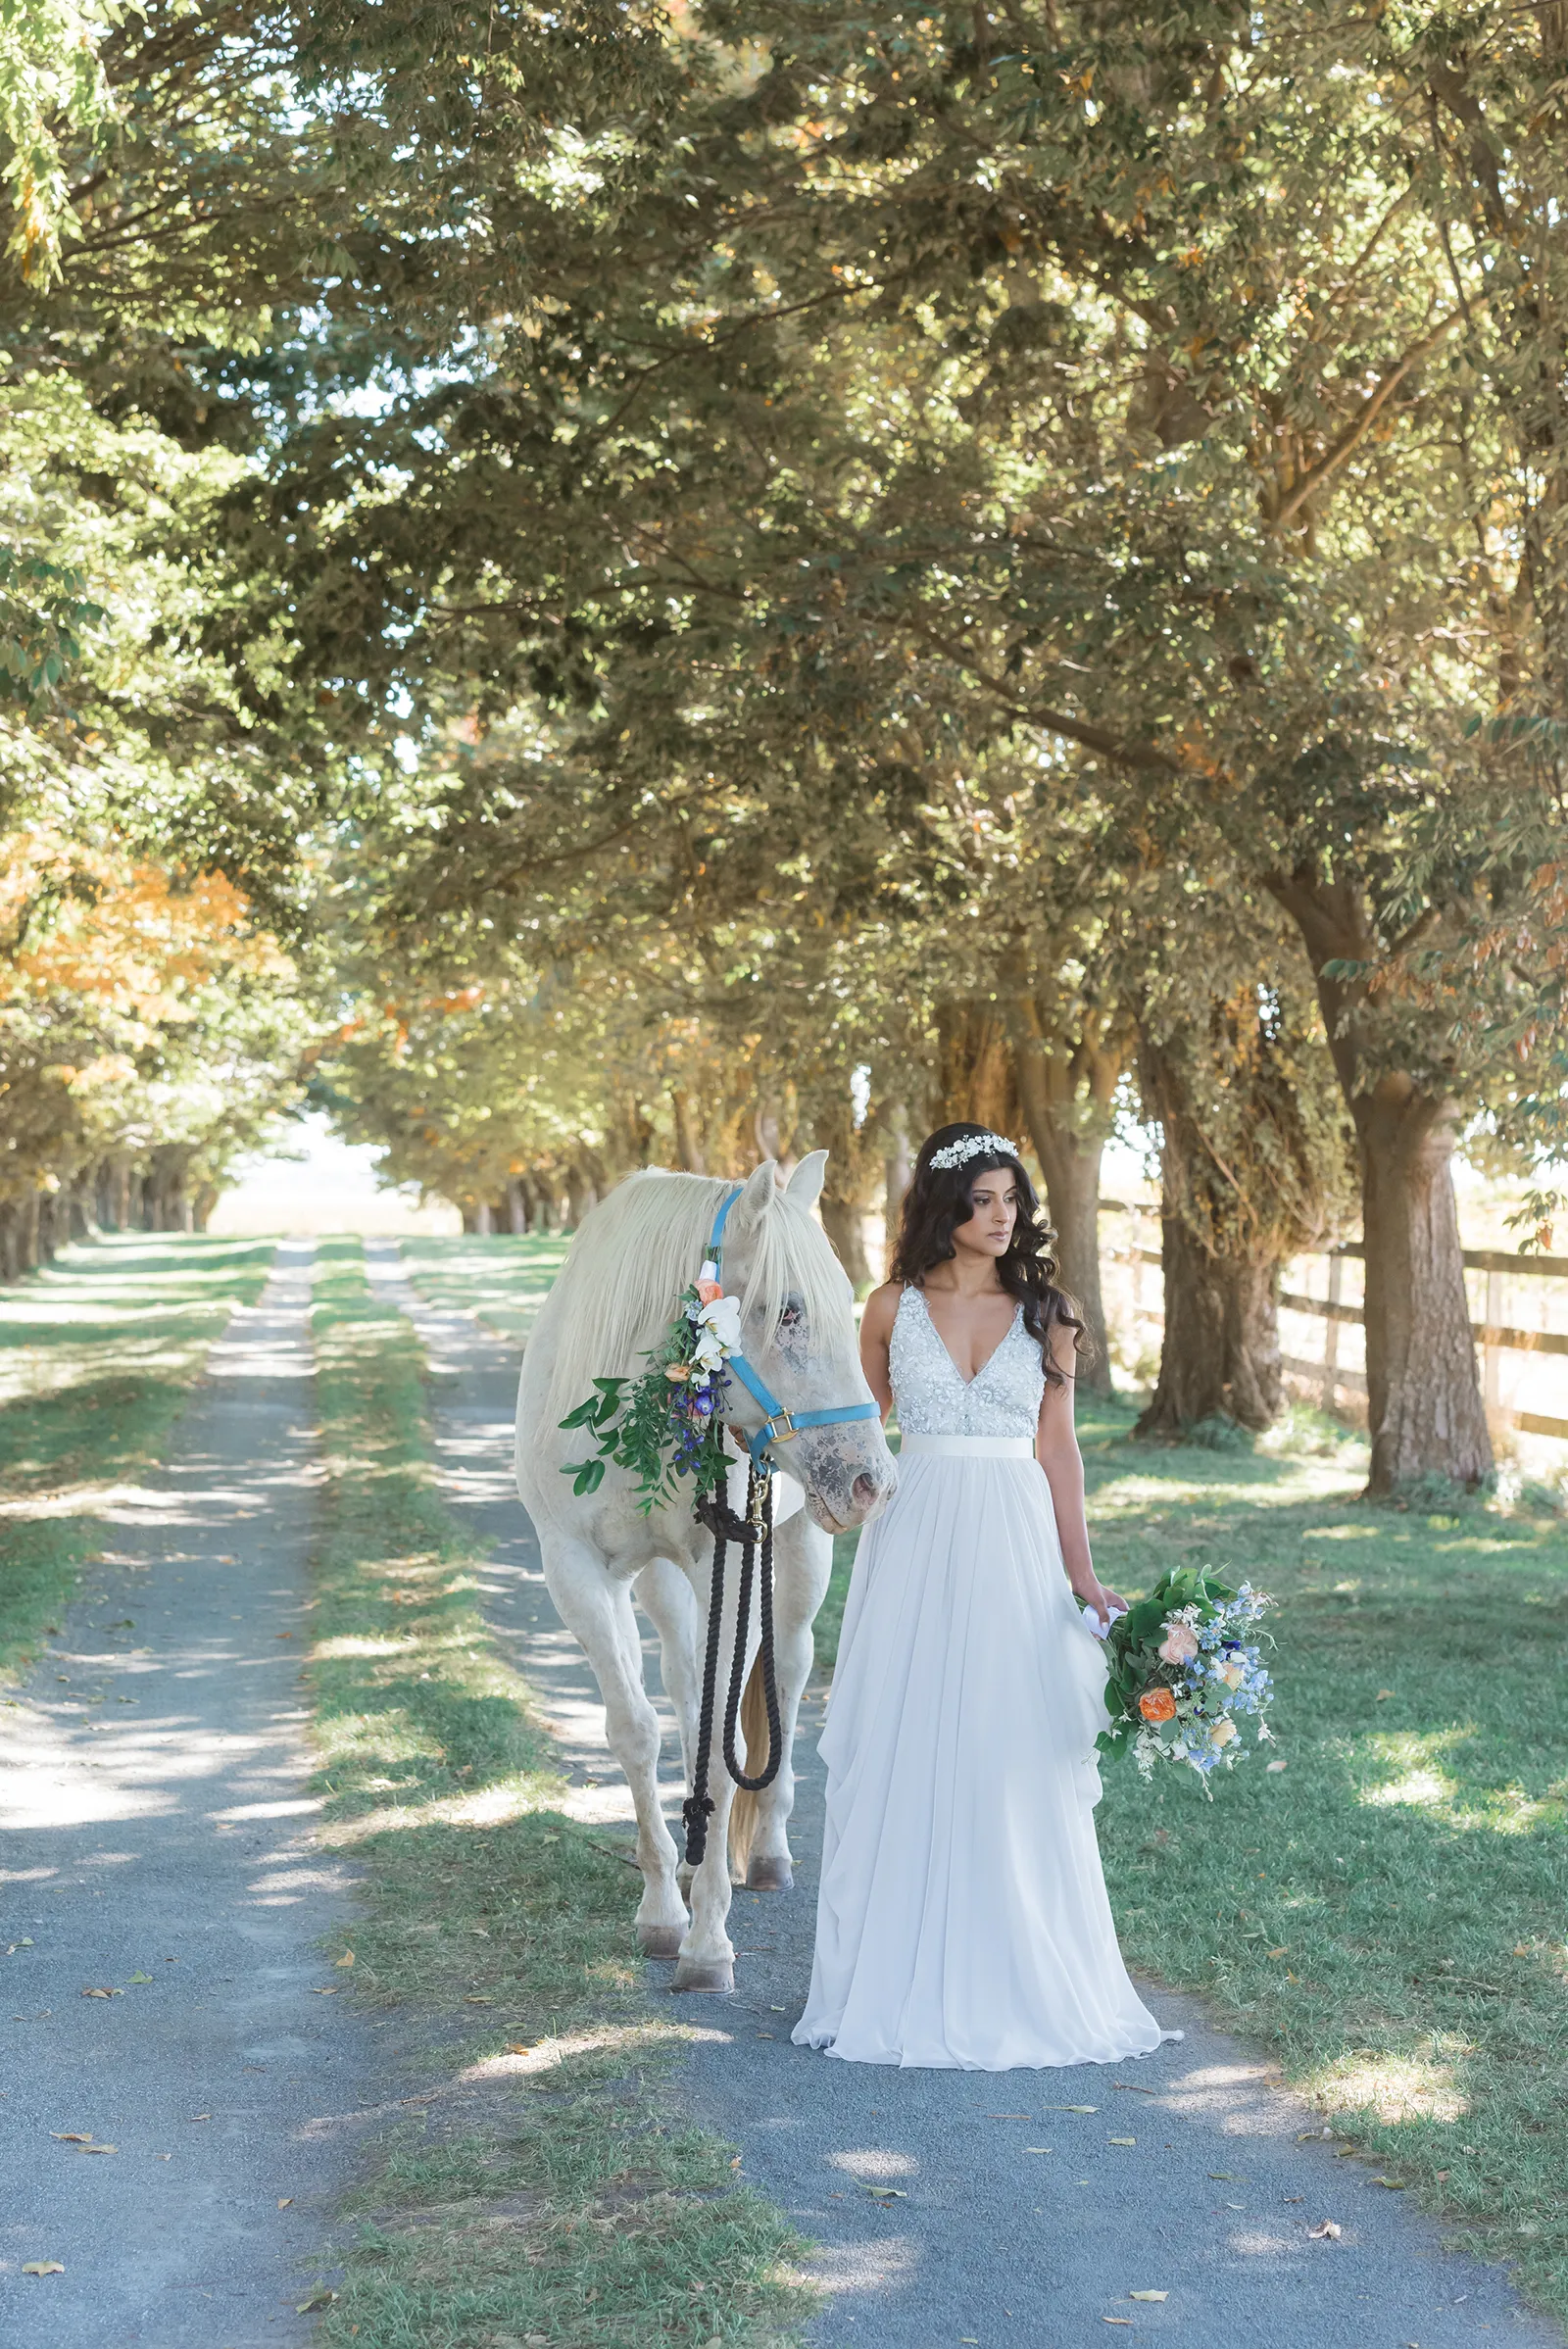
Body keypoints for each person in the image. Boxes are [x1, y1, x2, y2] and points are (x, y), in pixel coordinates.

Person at [792, 1124, 1175, 2070]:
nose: (1003, 1216)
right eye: (984, 1200)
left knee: (1010, 1741)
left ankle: (1012, 1969)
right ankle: (889, 1970)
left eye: (1013, 1200)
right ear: (945, 1206)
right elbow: (856, 1432)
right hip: (913, 1536)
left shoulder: (1050, 1313)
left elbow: (1059, 1450)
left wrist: (1082, 1575)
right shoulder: (890, 1307)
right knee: (906, 1735)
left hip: (1012, 1538)